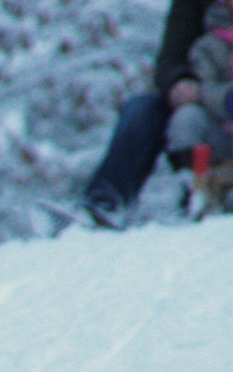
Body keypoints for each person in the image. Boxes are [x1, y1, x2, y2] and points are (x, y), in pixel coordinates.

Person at [82, 0, 212, 224]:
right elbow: (170, 59)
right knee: (142, 110)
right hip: (200, 102)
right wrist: (178, 83)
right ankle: (104, 206)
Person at [163, 0, 233, 180]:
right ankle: (193, 186)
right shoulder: (208, 46)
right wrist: (226, 98)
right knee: (188, 119)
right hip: (223, 125)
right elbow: (204, 85)